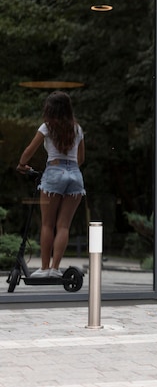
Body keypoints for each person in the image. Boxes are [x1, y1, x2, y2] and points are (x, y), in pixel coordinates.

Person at [16, 91, 86, 278]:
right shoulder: (77, 129)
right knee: (63, 226)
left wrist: (22, 165)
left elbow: (28, 152)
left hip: (54, 173)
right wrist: (69, 168)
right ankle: (56, 269)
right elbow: (81, 158)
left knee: (47, 224)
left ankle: (45, 268)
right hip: (75, 175)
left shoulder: (46, 127)